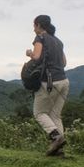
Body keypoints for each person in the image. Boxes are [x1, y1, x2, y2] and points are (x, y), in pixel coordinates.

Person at [24, 15, 70, 157]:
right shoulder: (58, 41)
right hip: (64, 81)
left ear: (38, 25)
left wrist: (30, 53)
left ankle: (56, 137)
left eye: (34, 26)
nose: (33, 29)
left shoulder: (40, 38)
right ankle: (59, 150)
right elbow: (64, 63)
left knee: (39, 113)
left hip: (49, 82)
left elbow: (37, 57)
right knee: (55, 115)